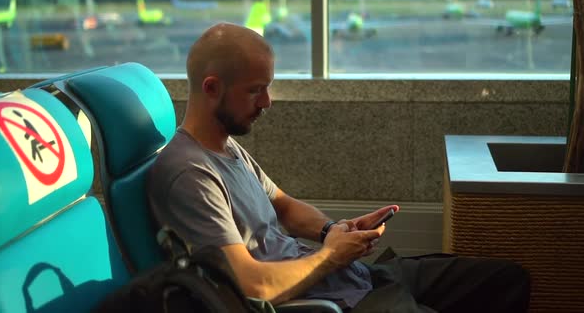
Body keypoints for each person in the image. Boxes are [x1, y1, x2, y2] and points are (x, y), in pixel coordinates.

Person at [146, 22, 530, 312]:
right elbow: (252, 286)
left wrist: (336, 231)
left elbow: (284, 205)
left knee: (508, 280)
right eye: (254, 90)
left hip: (351, 277)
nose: (267, 101)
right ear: (211, 88)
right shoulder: (189, 174)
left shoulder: (226, 149)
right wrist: (331, 255)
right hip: (335, 300)